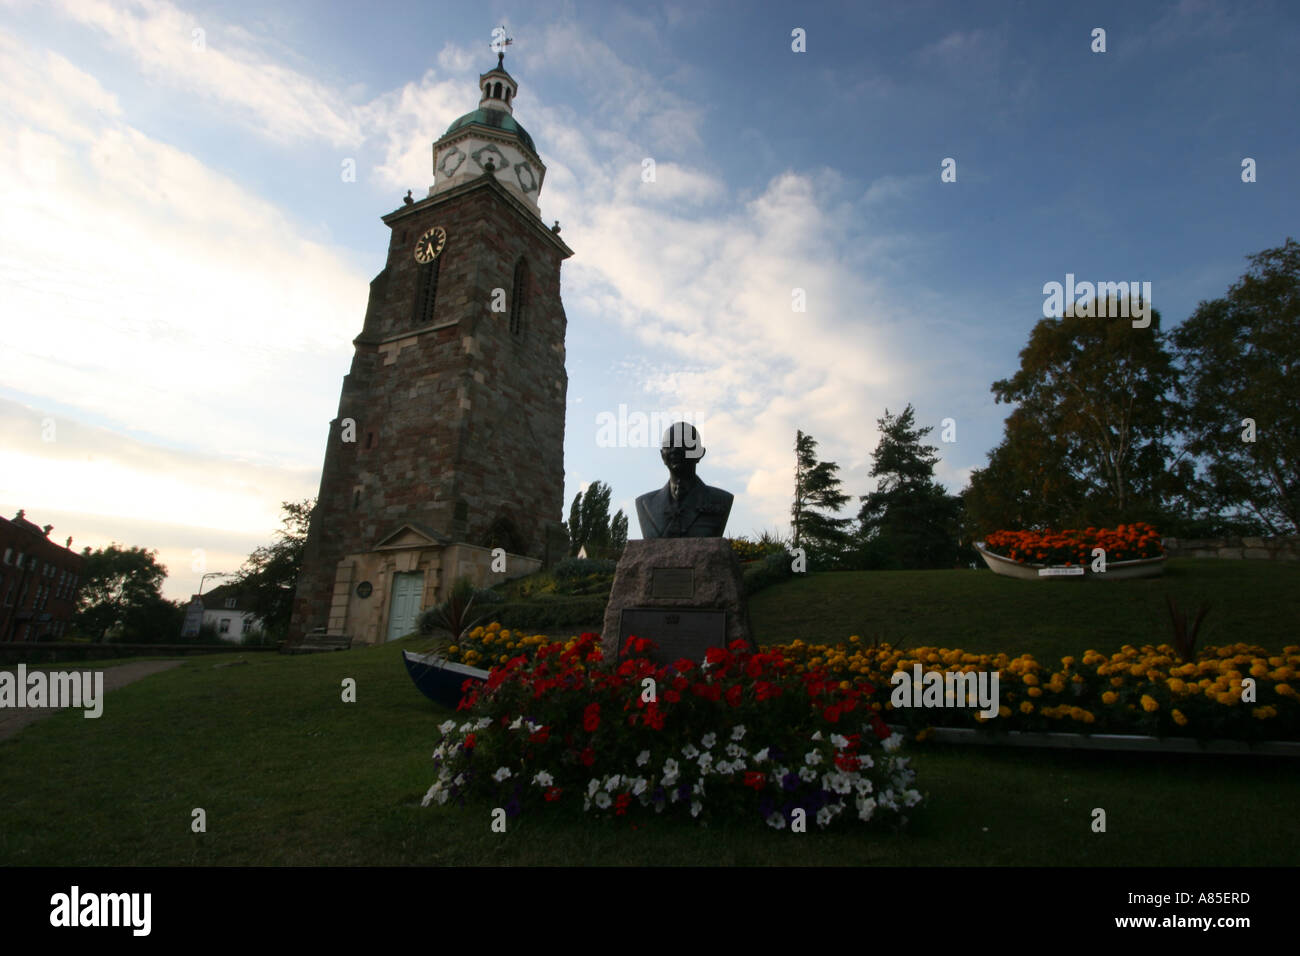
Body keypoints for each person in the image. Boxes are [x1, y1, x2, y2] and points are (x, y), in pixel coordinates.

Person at [634, 422, 733, 538]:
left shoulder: (720, 500)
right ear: (662, 455)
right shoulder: (645, 503)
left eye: (683, 443)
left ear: (700, 453)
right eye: (669, 445)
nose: (675, 449)